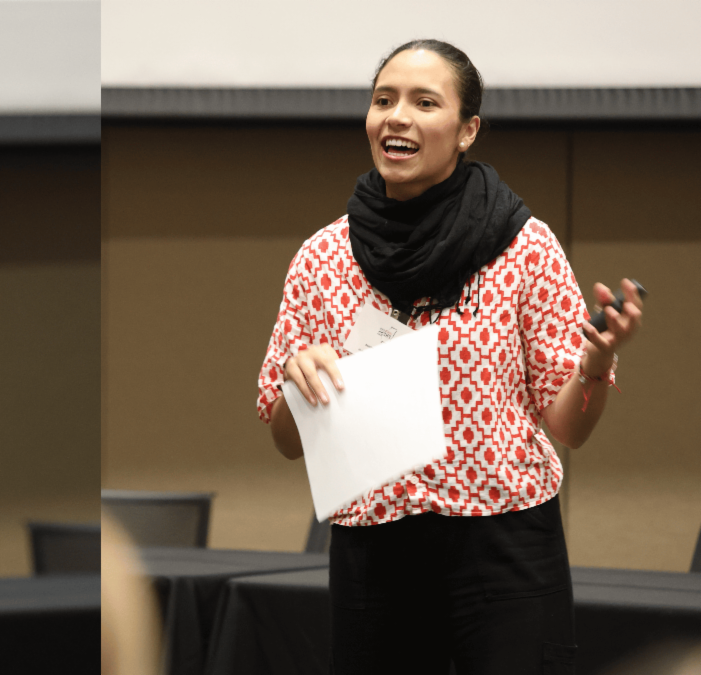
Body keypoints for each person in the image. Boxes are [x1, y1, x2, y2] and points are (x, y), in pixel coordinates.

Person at [257, 40, 643, 674]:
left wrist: (595, 363)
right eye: (383, 100)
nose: (396, 117)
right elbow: (286, 440)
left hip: (506, 551)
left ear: (467, 131)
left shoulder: (525, 247)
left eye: (423, 102)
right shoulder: (323, 258)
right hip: (373, 558)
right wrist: (298, 386)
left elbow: (568, 426)